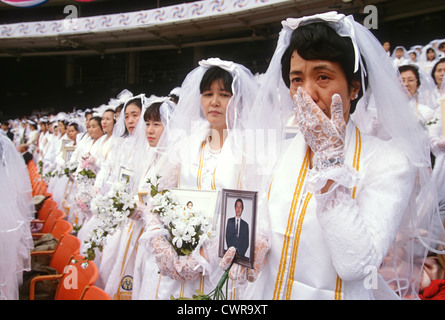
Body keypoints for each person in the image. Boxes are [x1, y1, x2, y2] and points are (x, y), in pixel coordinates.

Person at [242, 11, 445, 300]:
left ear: (353, 88)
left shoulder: (389, 161)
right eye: (296, 79)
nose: (306, 93)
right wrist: (254, 243)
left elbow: (357, 265)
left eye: (322, 77)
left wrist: (328, 162)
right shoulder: (278, 150)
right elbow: (261, 217)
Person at [134, 58, 262, 300]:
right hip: (175, 258)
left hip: (219, 265)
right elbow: (158, 196)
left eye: (224, 94)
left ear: (240, 101)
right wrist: (161, 245)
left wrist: (204, 255)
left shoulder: (249, 150)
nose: (214, 102)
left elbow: (250, 216)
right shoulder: (186, 144)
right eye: (207, 94)